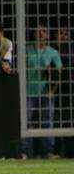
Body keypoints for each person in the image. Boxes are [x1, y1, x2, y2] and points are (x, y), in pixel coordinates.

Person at [24, 26, 63, 159]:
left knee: (47, 121)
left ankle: (48, 151)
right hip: (28, 91)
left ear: (48, 35)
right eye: (38, 31)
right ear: (33, 33)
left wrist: (52, 91)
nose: (41, 34)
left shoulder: (53, 52)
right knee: (26, 121)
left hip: (46, 92)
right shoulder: (27, 50)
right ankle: (26, 152)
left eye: (44, 31)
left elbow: (58, 74)